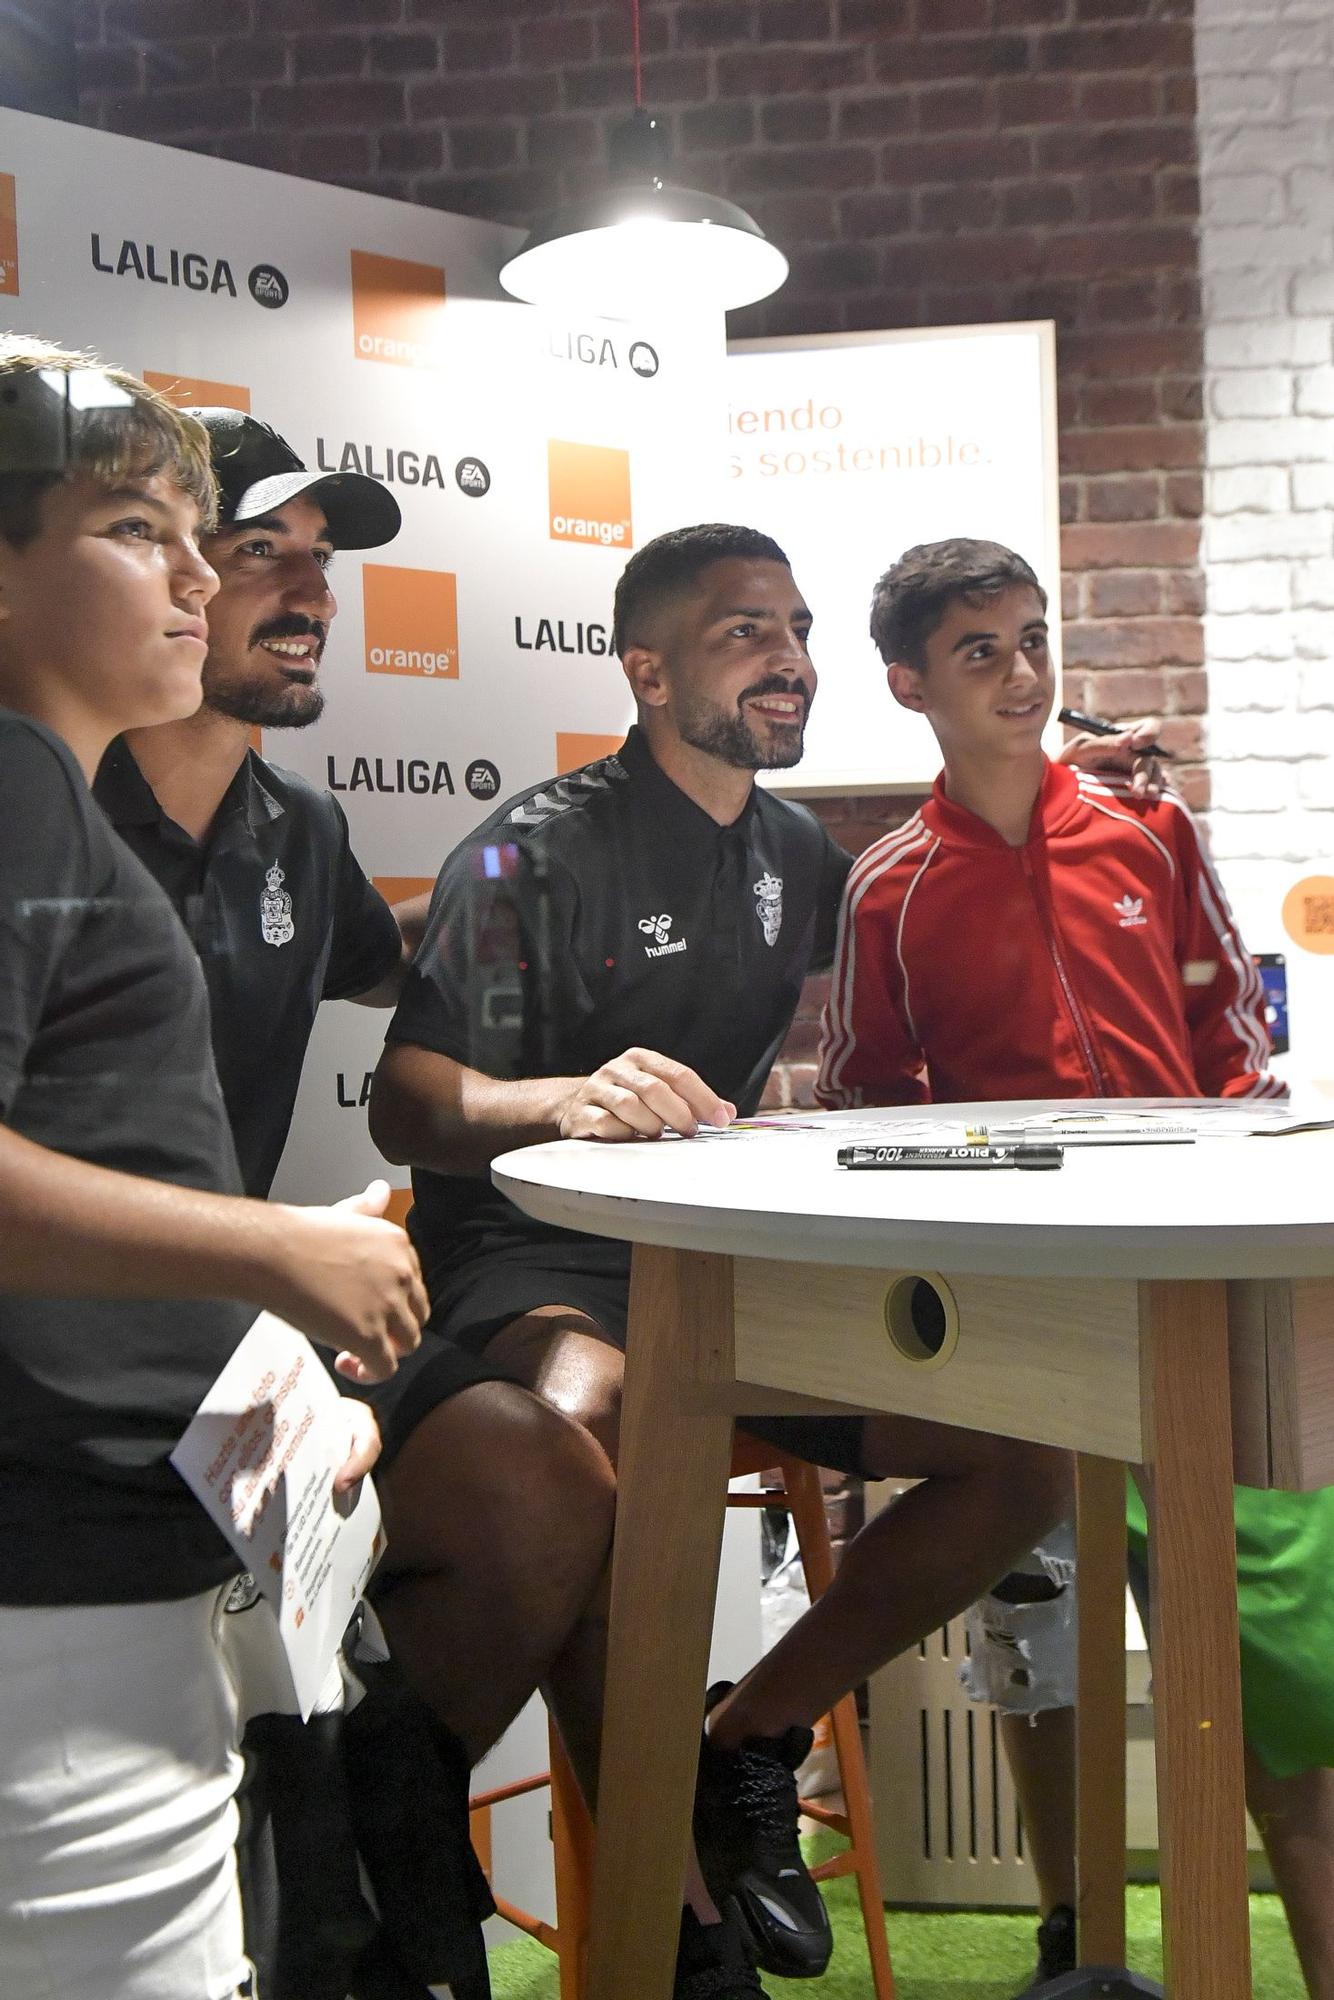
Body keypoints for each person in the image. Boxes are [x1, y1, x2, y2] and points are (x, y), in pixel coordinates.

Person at [370, 521, 1087, 1999]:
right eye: (745, 633)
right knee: (593, 1433)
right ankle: (672, 1910)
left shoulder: (796, 851)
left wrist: (1082, 775)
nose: (790, 660)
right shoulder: (532, 845)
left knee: (1026, 1458)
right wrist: (560, 1095)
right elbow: (409, 1099)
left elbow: (951, 865)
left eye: (799, 630)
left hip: (723, 1263)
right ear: (645, 670)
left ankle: (745, 1738)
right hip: (538, 1253)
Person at [95, 407, 616, 1999]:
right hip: (81, 1352)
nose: (304, 594)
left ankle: (376, 1823)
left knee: (542, 1486)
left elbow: (405, 968)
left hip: (236, 1337)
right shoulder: (46, 792)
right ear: (167, 576)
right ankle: (358, 1898)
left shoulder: (292, 827)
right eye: (262, 555)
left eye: (318, 565)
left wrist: (548, 891)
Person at [816, 534, 1334, 1998]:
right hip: (1022, 1330)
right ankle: (1073, 1945)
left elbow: (1233, 1046)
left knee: (1280, 1678)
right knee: (1036, 1643)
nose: (1021, 672)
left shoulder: (1148, 834)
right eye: (979, 650)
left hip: (1198, 1304)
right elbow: (864, 1107)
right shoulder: (887, 886)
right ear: (908, 682)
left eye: (1033, 640)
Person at [0, 335, 425, 2000]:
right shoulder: (24, 784)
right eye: (135, 530)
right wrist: (272, 1257)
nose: (200, 579)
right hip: (62, 1575)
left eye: (205, 538)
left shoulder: (60, 794)